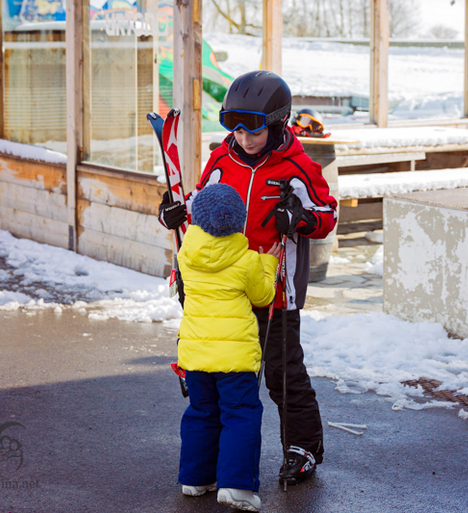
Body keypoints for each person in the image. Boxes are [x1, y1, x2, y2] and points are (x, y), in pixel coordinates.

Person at [159, 70, 337, 486]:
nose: (243, 137)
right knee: (222, 372)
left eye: (252, 127)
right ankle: (219, 449)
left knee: (281, 371)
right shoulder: (223, 160)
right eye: (233, 127)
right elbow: (201, 203)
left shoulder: (298, 167)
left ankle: (303, 447)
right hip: (226, 291)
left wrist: (300, 216)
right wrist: (175, 211)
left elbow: (327, 216)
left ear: (276, 121)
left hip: (276, 291)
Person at [177, 183, 280, 513]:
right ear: (239, 222)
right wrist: (269, 265)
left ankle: (195, 479)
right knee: (241, 416)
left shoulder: (186, 255)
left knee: (202, 414)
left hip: (195, 356)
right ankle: (236, 485)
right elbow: (263, 296)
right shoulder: (247, 260)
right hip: (235, 360)